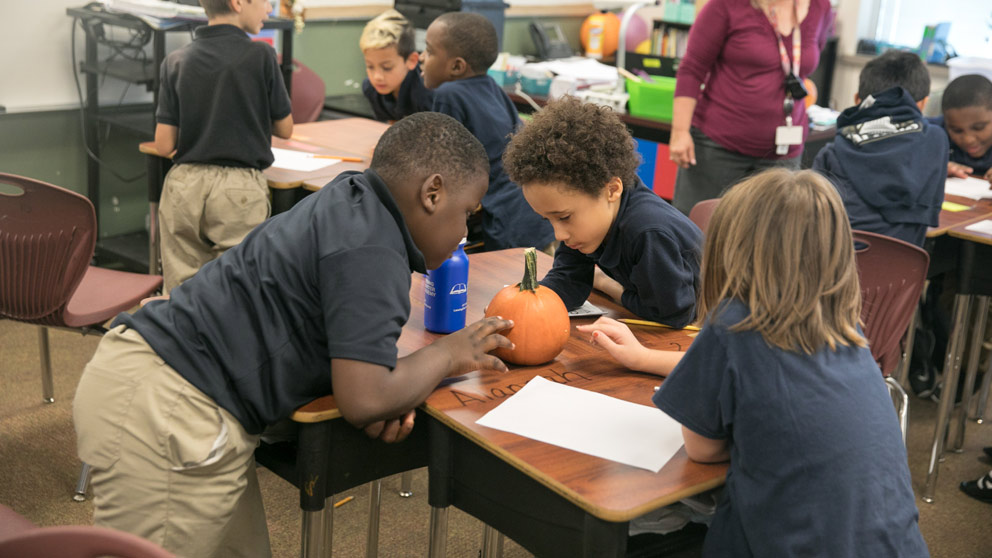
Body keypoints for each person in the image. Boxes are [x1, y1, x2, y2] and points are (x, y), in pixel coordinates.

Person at [73, 112, 514, 558]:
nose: (464, 232)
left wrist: (393, 388)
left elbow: (338, 353)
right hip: (170, 409)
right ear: (432, 193)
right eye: (466, 214)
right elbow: (365, 399)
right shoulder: (373, 250)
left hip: (169, 385)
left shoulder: (350, 198)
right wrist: (448, 354)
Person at [577, 169, 929, 557]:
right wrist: (644, 357)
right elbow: (753, 382)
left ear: (729, 249)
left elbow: (703, 449)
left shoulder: (734, 323)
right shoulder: (847, 333)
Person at [503, 97, 702, 327]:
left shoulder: (648, 232)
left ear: (612, 189)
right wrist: (523, 306)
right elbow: (570, 282)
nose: (559, 234)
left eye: (564, 217)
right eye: (549, 220)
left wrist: (607, 285)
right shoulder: (587, 225)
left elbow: (672, 314)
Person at [154, 0, 294, 294]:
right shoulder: (262, 55)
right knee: (233, 295)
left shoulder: (175, 60)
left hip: (183, 185)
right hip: (237, 189)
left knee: (179, 295)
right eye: (266, 1)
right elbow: (285, 128)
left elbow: (163, 143)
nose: (269, 9)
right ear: (239, 2)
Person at [668, 0, 833, 215]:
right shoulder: (727, 6)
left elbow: (806, 64)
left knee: (770, 239)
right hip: (717, 146)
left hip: (783, 152)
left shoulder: (820, 7)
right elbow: (692, 68)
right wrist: (680, 131)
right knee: (698, 234)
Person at [421, 12, 554, 251]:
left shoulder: (449, 94)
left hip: (506, 221)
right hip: (532, 213)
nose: (422, 58)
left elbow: (440, 164)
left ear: (457, 66)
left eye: (429, 52)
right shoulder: (491, 86)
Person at [812, 50, 947, 247]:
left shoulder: (832, 153)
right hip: (902, 272)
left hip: (835, 271)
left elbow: (809, 221)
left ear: (858, 100)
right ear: (924, 104)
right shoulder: (936, 141)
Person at [359, 9, 433, 122]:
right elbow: (392, 128)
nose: (377, 77)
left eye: (387, 68)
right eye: (370, 66)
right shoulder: (370, 88)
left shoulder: (426, 93)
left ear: (412, 61)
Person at [932, 74, 992, 182]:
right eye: (957, 130)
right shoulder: (932, 132)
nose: (968, 140)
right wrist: (932, 166)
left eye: (979, 128)